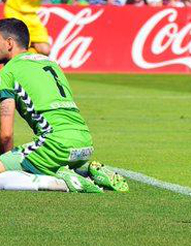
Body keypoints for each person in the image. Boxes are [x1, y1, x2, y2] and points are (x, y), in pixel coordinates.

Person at [0, 18, 129, 193]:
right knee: (45, 157)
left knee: (3, 176)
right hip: (84, 143)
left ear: (9, 43)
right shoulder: (50, 62)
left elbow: (6, 135)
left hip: (55, 145)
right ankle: (86, 170)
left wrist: (5, 160)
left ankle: (65, 181)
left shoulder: (8, 71)